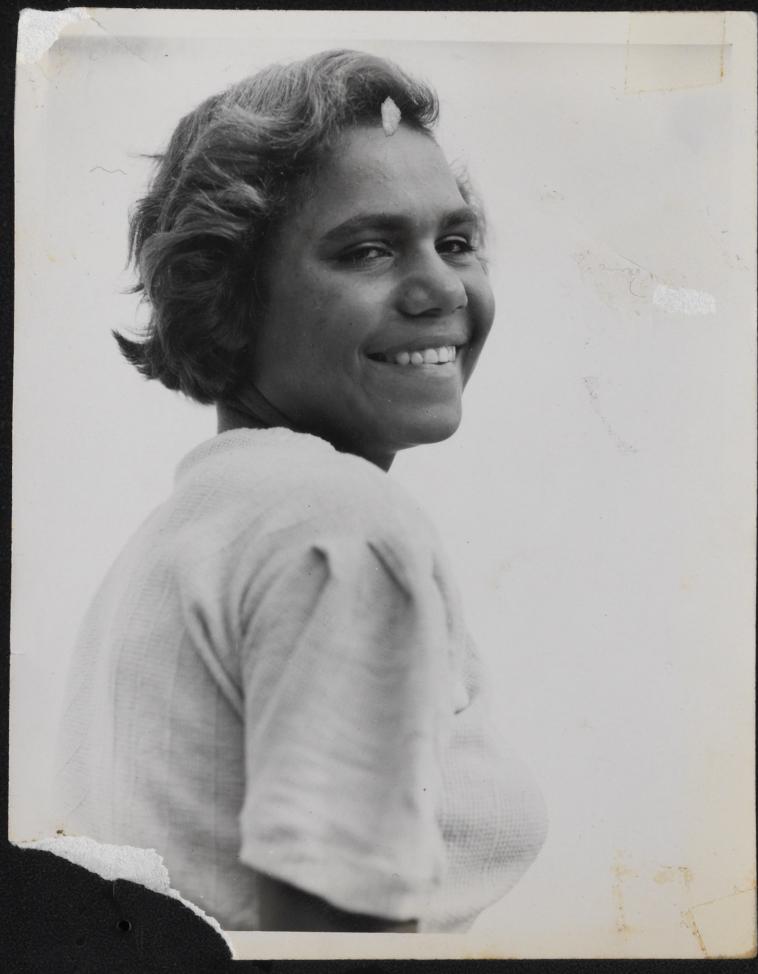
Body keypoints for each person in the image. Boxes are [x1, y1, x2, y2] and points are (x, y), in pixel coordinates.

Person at [54, 49, 547, 933]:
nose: (441, 287)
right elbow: (335, 943)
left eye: (458, 240)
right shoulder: (337, 522)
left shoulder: (194, 528)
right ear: (230, 297)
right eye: (368, 249)